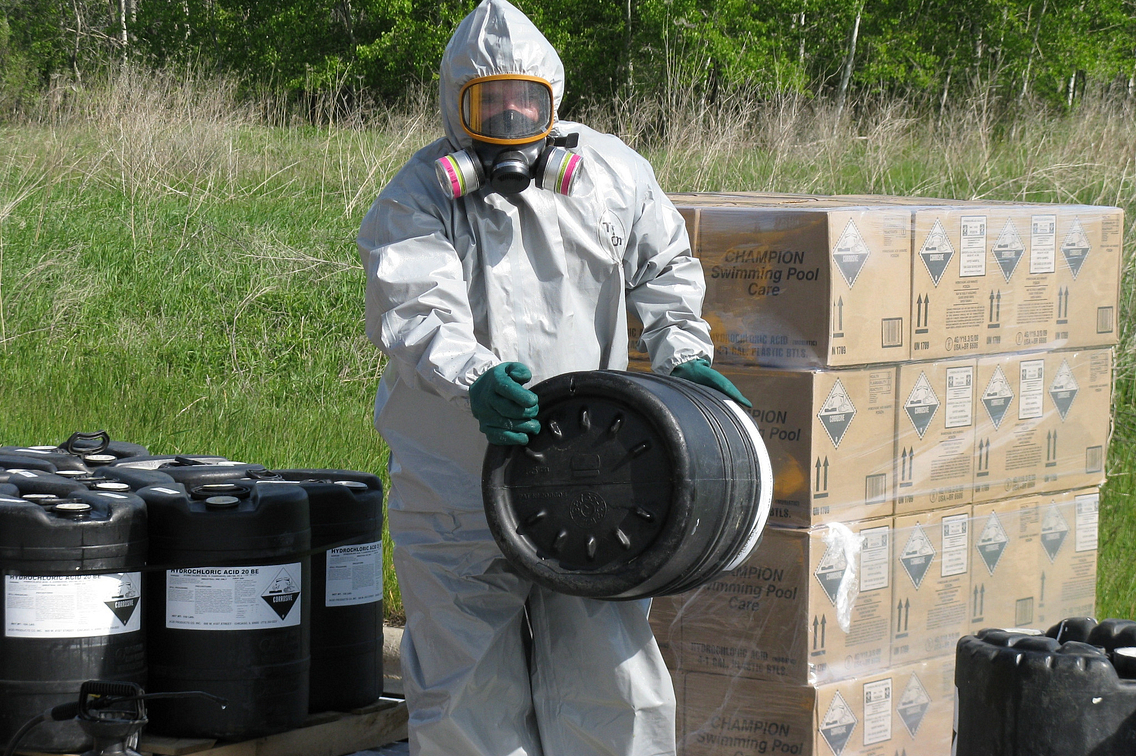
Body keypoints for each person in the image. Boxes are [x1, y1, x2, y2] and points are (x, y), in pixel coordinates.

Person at [358, 1, 749, 754]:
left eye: (524, 102)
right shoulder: (415, 200)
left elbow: (665, 264)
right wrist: (472, 377)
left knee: (609, 677)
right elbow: (416, 311)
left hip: (591, 473)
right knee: (464, 686)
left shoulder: (610, 176)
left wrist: (682, 351)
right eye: (489, 103)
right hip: (455, 480)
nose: (509, 119)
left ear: (553, 103)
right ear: (454, 108)